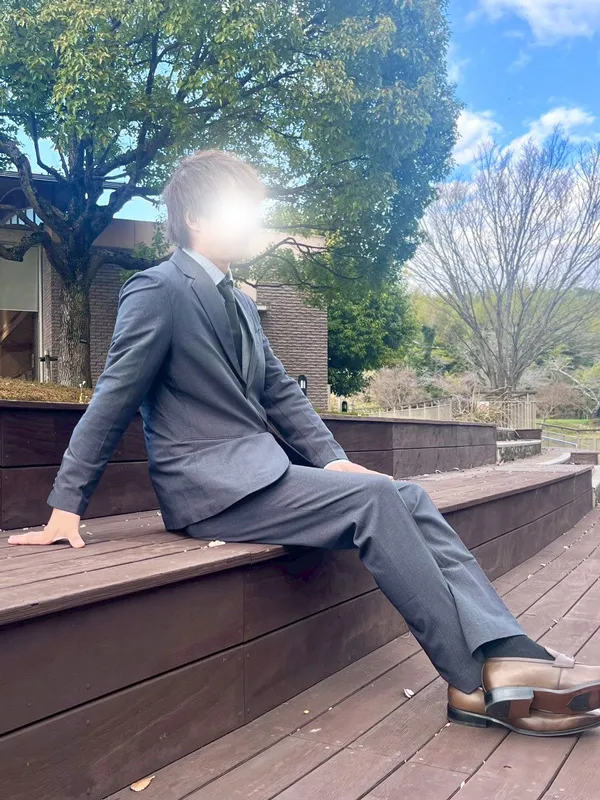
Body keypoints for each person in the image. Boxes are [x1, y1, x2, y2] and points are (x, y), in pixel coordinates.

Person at [10, 150, 600, 738]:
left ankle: (510, 650)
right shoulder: (157, 289)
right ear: (194, 216)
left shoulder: (242, 302)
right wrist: (67, 505)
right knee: (377, 502)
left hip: (259, 476)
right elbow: (113, 398)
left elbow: (282, 395)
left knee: (407, 495)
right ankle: (473, 681)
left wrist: (334, 460)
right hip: (207, 489)